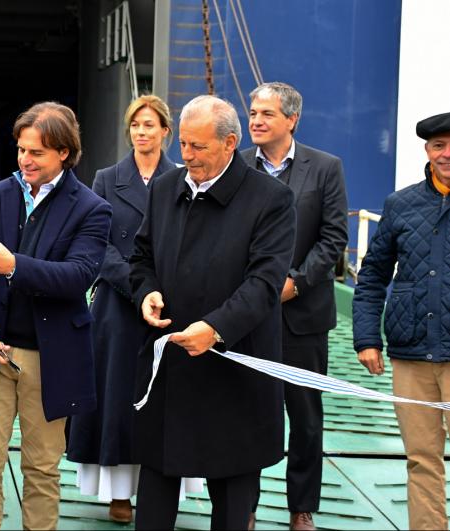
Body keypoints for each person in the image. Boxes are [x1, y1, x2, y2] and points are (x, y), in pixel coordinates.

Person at [128, 95, 296, 529]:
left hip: (235, 374)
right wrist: (146, 291)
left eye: (198, 147)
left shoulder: (271, 199)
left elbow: (264, 284)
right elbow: (142, 255)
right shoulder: (166, 188)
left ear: (230, 143)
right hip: (170, 368)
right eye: (182, 144)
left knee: (232, 501)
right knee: (156, 490)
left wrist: (217, 328)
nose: (186, 155)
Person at [0, 101, 111, 530]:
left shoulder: (92, 208)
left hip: (51, 357)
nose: (25, 160)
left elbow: (78, 276)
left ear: (64, 152)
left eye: (36, 152)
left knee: (42, 469)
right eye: (21, 150)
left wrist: (14, 266)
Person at [241, 81, 348, 531]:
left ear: (292, 120)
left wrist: (295, 284)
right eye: (252, 113)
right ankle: (240, 505)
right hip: (245, 313)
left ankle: (300, 507)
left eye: (266, 114)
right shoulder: (237, 165)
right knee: (242, 414)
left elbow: (334, 237)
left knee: (304, 418)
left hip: (302, 316)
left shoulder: (324, 168)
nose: (256, 121)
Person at [66, 94, 176, 524]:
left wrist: (161, 288)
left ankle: (159, 486)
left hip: (168, 303)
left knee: (162, 398)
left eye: (150, 125)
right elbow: (97, 243)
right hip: (117, 305)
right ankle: (119, 494)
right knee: (116, 396)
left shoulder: (181, 179)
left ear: (166, 131)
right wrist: (137, 286)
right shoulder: (107, 179)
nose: (142, 132)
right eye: (135, 125)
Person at [353, 111, 450, 531]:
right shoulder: (401, 204)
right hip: (412, 354)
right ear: (427, 151)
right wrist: (365, 339)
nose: (446, 154)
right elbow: (373, 274)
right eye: (438, 146)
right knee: (422, 458)